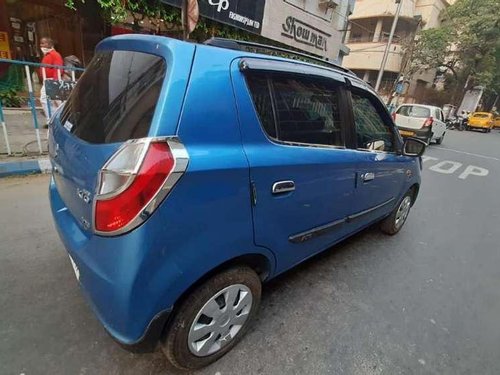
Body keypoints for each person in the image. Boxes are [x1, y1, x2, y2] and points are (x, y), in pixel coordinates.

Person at [39, 37, 63, 125]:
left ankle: (53, 120)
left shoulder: (54, 54)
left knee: (45, 99)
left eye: (44, 43)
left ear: (50, 44)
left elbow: (58, 68)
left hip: (52, 80)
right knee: (53, 101)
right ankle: (55, 119)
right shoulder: (48, 55)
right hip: (48, 80)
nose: (41, 45)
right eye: (41, 43)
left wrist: (55, 82)